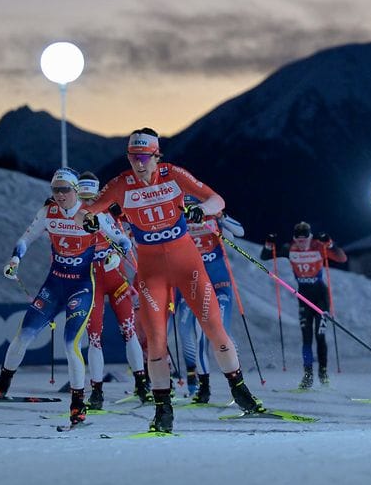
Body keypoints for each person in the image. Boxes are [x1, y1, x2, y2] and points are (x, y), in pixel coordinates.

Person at [79, 128, 263, 433]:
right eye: (132, 157)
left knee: (215, 329)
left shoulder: (173, 174)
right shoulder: (120, 184)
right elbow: (86, 212)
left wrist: (200, 210)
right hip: (151, 271)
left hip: (186, 263)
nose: (138, 163)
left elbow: (217, 199)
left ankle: (241, 392)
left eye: (144, 157)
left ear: (156, 155)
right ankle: (163, 409)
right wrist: (87, 218)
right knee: (156, 343)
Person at [0, 168, 131, 426]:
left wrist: (114, 256)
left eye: (65, 189)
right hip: (54, 285)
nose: (60, 195)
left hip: (81, 286)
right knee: (23, 335)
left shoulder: (93, 214)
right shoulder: (48, 212)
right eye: (55, 190)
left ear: (76, 190)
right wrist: (14, 260)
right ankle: (2, 384)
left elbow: (123, 242)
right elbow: (26, 238)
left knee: (70, 344)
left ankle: (78, 402)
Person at [75, 172, 149, 409]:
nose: (87, 204)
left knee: (129, 331)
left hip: (115, 279)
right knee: (94, 337)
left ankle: (142, 384)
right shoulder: (71, 218)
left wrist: (117, 255)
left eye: (91, 198)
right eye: (83, 198)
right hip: (90, 283)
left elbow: (125, 242)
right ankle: (96, 391)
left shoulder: (104, 215)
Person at [172, 193, 246, 403]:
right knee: (201, 336)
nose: (188, 214)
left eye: (191, 208)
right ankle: (203, 388)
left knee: (221, 334)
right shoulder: (179, 227)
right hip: (196, 286)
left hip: (220, 285)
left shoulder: (212, 221)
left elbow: (239, 232)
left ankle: (239, 383)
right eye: (184, 209)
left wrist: (221, 217)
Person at [261, 222, 347, 388]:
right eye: (298, 239)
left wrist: (330, 243)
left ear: (310, 237)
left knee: (320, 336)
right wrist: (268, 243)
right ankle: (308, 376)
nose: (301, 243)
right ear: (294, 238)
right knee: (306, 338)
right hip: (303, 297)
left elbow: (342, 258)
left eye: (304, 239)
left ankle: (323, 374)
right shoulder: (289, 248)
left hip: (321, 297)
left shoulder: (318, 246)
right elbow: (265, 256)